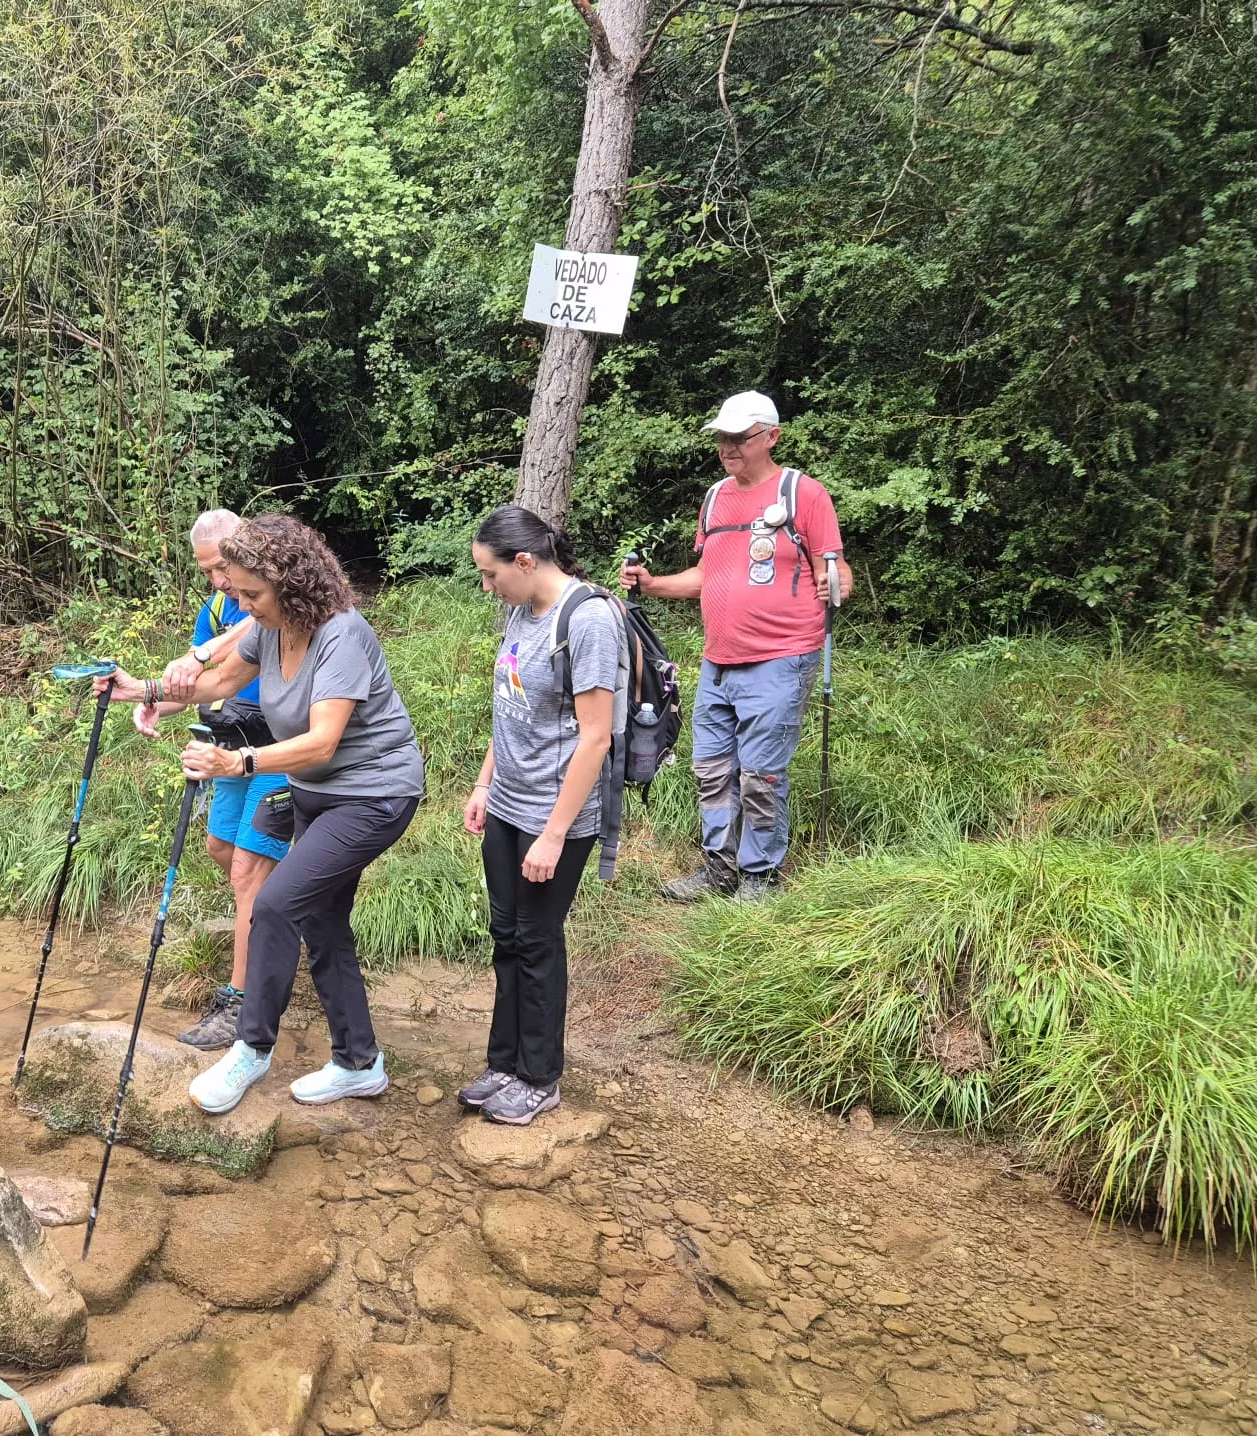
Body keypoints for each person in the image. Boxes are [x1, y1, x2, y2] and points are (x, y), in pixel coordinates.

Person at [104, 514, 424, 1114]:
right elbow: (217, 681)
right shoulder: (269, 628)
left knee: (277, 903)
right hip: (317, 793)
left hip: (374, 794)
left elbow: (324, 740)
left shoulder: (342, 635)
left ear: (293, 583)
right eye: (239, 592)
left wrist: (238, 762)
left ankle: (251, 1049)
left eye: (252, 592)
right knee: (324, 922)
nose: (241, 603)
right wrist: (140, 690)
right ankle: (360, 1063)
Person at [622, 390, 855, 902]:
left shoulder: (803, 494)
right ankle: (719, 868)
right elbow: (706, 575)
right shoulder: (714, 498)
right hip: (718, 661)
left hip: (782, 656)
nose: (728, 447)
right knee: (711, 770)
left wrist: (834, 581)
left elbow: (836, 574)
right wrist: (652, 583)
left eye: (739, 438)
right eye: (722, 438)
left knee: (760, 774)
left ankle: (759, 876)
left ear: (770, 437)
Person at [459, 506, 616, 1126]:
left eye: (490, 574)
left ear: (525, 562)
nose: (486, 586)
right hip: (506, 804)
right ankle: (504, 1063)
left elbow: (596, 736)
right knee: (506, 937)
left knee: (537, 941)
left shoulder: (590, 619)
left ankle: (540, 1076)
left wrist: (553, 835)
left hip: (556, 816)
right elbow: (512, 706)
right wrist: (483, 783)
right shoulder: (522, 614)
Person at [128, 510, 290, 1050]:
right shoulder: (218, 606)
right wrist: (152, 700)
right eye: (210, 573)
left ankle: (241, 1004)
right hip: (230, 740)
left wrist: (194, 656)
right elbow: (205, 682)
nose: (220, 582)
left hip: (280, 746)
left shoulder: (272, 599)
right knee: (222, 847)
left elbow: (242, 637)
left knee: (248, 871)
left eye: (223, 567)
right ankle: (280, 915)